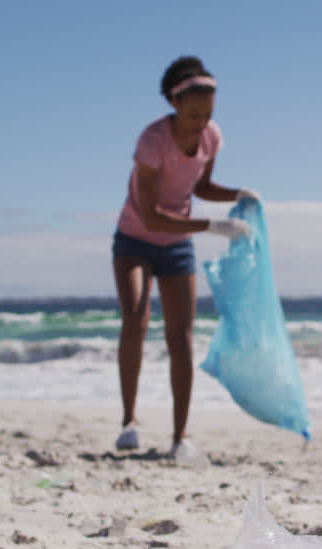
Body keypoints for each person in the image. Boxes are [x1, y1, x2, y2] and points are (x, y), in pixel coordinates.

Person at [111, 56, 257, 461]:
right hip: (135, 240)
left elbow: (202, 185)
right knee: (136, 318)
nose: (200, 122)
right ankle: (129, 422)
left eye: (207, 114)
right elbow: (151, 214)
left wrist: (238, 195)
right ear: (175, 104)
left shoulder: (211, 137)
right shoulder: (153, 140)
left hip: (177, 245)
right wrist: (211, 227)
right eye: (193, 114)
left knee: (181, 337)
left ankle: (180, 436)